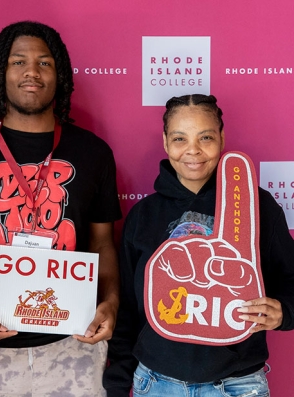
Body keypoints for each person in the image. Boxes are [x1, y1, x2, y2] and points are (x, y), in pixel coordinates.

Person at [0, 21, 121, 396]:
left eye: (44, 63)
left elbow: (103, 244)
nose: (32, 72)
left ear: (61, 74)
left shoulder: (93, 152)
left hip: (73, 345)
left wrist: (112, 302)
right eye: (18, 62)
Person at [103, 94, 294, 397]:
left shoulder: (257, 206)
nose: (193, 150)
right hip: (155, 382)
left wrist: (285, 311)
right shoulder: (144, 215)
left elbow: (290, 278)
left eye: (205, 137)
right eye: (180, 138)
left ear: (222, 138)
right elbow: (125, 308)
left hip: (238, 384)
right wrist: (116, 384)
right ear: (165, 142)